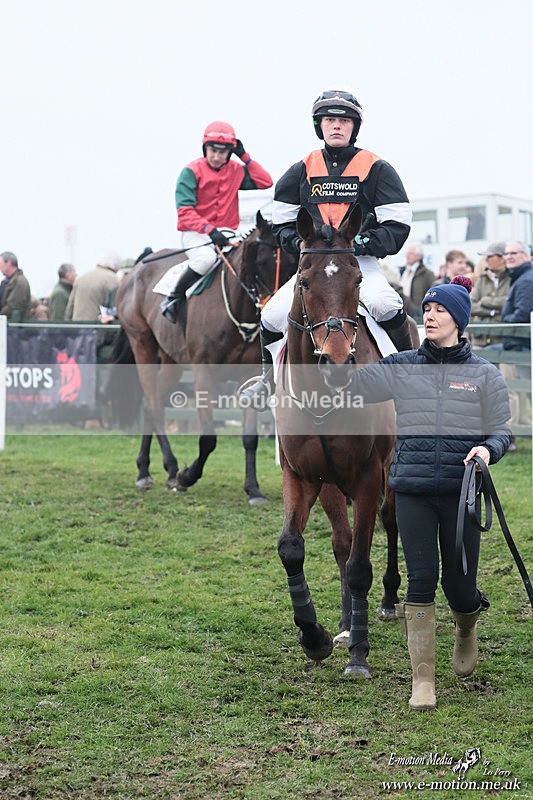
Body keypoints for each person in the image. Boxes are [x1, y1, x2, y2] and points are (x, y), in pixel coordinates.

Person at [346, 276, 511, 711]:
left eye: (439, 310)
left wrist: (487, 449)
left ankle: (465, 628)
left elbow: (502, 430)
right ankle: (423, 681)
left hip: (462, 495)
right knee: (421, 578)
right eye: (427, 309)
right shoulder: (401, 366)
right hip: (412, 490)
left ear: (458, 319)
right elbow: (355, 388)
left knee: (460, 587)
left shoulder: (483, 374)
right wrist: (337, 358)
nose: (430, 315)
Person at [241, 87, 413, 407]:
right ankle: (267, 381)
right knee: (271, 315)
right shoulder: (300, 169)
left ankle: (412, 376)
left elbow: (398, 224)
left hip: (358, 263)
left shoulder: (378, 168)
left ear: (354, 128)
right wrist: (300, 244)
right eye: (330, 119)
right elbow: (281, 224)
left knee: (384, 303)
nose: (337, 126)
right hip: (313, 267)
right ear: (319, 125)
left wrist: (363, 243)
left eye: (344, 121)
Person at [160, 121, 273, 324]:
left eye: (222, 152)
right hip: (196, 233)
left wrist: (245, 156)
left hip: (228, 233)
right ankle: (173, 297)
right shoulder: (190, 172)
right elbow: (184, 212)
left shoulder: (237, 170)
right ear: (205, 148)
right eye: (212, 150)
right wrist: (209, 230)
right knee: (205, 260)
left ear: (230, 152)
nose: (216, 156)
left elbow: (266, 182)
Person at [469, 242, 509, 346]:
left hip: (501, 340)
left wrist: (485, 301)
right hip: (480, 340)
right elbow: (470, 306)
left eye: (490, 256)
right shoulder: (482, 279)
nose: (486, 259)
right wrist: (491, 312)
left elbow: (508, 302)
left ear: (502, 258)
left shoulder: (512, 278)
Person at [65, 251, 122, 321]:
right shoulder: (114, 280)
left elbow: (70, 308)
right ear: (116, 266)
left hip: (77, 326)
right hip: (97, 327)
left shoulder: (81, 278)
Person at [399, 242, 436, 318]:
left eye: (411, 254)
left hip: (418, 314)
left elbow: (433, 294)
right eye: (407, 254)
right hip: (403, 312)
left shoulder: (427, 274)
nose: (407, 256)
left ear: (419, 256)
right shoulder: (403, 272)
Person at [0, 251, 31, 321]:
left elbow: (13, 306)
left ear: (8, 263)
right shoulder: (5, 282)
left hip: (15, 326)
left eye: (0, 263)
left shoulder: (20, 282)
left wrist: (1, 317)